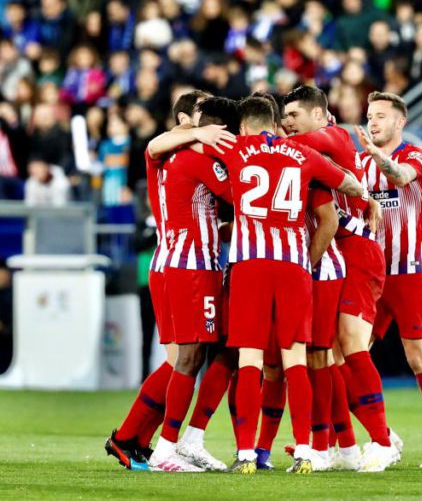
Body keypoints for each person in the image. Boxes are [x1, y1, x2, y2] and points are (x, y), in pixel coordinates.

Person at [186, 96, 364, 474]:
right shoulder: (302, 153)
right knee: (295, 358)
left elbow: (176, 145)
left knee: (250, 359)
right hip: (294, 266)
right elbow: (346, 183)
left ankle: (247, 454)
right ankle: (304, 451)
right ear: (273, 122)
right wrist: (367, 197)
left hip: (250, 265)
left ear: (246, 126)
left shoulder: (236, 147)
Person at [283, 85, 397, 472]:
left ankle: (382, 441)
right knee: (326, 352)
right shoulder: (307, 148)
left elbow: (294, 147)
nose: (287, 125)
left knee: (350, 344)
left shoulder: (334, 134)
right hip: (334, 254)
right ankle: (337, 444)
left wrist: (263, 137)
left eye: (294, 116)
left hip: (358, 250)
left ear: (318, 114)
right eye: (283, 118)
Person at [105, 89, 214, 471]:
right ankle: (131, 436)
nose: (212, 117)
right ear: (184, 119)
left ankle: (135, 439)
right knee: (184, 360)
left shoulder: (189, 154)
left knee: (179, 361)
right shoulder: (170, 152)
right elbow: (153, 144)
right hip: (180, 264)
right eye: (204, 110)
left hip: (178, 262)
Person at [357, 91, 422, 468]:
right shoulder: (359, 161)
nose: (373, 122)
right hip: (371, 276)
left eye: (381, 116)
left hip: (411, 274)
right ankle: (382, 436)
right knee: (349, 356)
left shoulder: (415, 156)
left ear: (400, 122)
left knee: (418, 358)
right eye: (370, 115)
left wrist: (377, 156)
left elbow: (400, 177)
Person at [145, 97, 235, 473]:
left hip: (183, 262)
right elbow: (242, 196)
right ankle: (166, 448)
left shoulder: (174, 157)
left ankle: (178, 442)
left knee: (196, 354)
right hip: (190, 267)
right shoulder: (197, 159)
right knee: (189, 356)